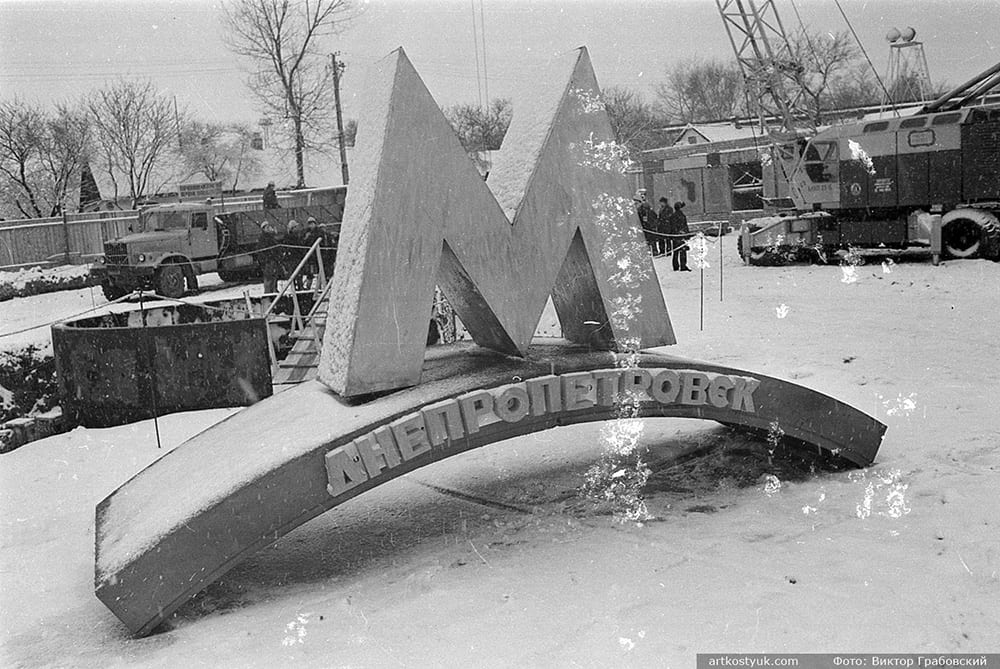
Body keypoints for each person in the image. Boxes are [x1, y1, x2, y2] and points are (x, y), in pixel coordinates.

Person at [256, 222, 280, 293]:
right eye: (267, 227)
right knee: (268, 278)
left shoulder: (270, 237)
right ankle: (268, 292)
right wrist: (266, 260)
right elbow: (263, 250)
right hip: (268, 261)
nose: (269, 228)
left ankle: (273, 290)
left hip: (272, 260)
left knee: (274, 277)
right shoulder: (264, 238)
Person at [668, 201, 691, 271]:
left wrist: (673, 234)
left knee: (675, 252)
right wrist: (686, 234)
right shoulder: (681, 216)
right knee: (682, 251)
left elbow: (672, 226)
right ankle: (683, 265)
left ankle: (675, 266)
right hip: (681, 235)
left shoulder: (673, 216)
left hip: (676, 236)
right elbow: (684, 226)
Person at [634, 190, 656, 256]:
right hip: (646, 228)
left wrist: (644, 226)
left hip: (647, 228)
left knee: (649, 241)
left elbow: (645, 220)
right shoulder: (642, 209)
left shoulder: (643, 210)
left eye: (636, 203)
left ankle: (652, 251)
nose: (635, 205)